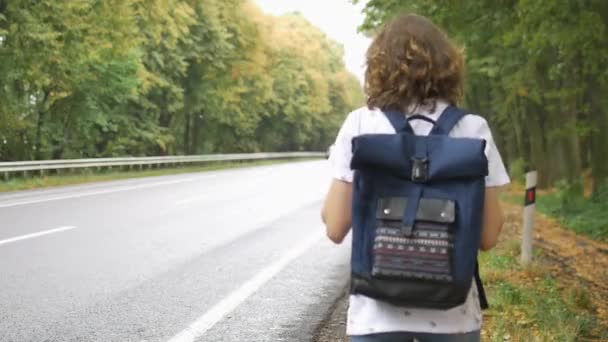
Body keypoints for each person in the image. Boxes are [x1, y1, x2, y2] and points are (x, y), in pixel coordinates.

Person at [321, 14, 510, 342]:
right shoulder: (472, 129)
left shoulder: (361, 125)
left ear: (378, 66)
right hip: (454, 318)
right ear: (447, 64)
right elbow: (488, 236)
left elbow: (335, 227)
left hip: (375, 319)